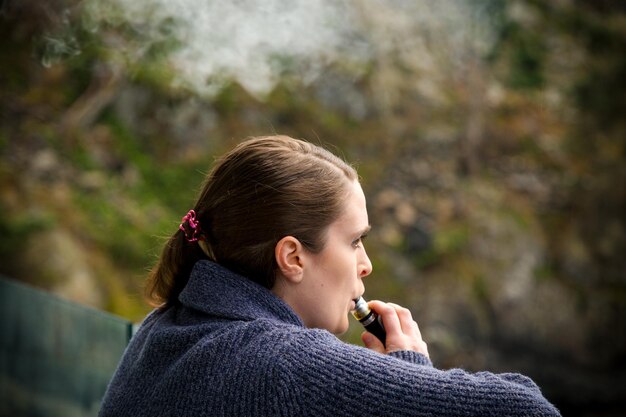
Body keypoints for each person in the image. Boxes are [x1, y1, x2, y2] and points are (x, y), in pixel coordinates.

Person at [98, 135, 561, 417]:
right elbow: (523, 409)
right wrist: (409, 373)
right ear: (293, 258)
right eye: (355, 240)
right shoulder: (283, 366)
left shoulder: (162, 329)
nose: (367, 264)